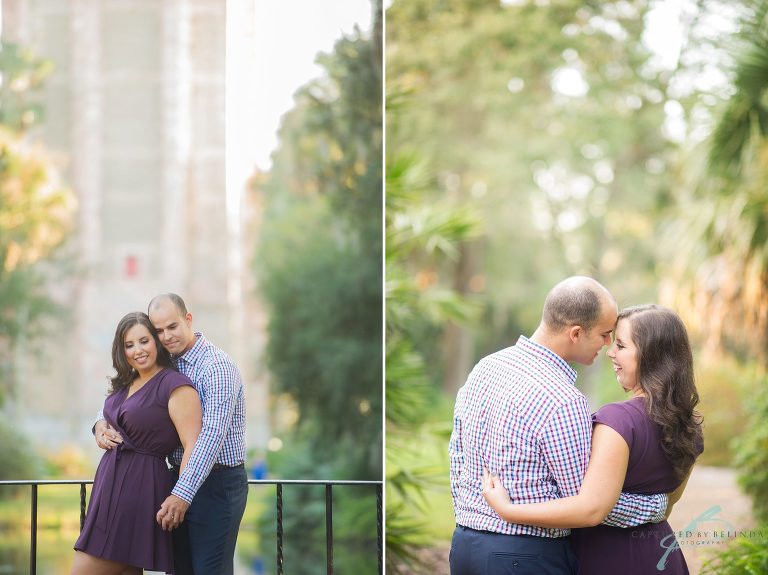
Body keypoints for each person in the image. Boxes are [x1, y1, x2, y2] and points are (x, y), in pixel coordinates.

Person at [449, 277, 669, 575]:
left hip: (464, 547)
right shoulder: (563, 400)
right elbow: (588, 505)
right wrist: (654, 506)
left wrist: (471, 517)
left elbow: (456, 457)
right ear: (576, 333)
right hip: (524, 556)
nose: (608, 346)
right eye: (605, 335)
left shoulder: (485, 368)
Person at [482, 304, 704, 574]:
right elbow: (667, 506)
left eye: (621, 345)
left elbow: (589, 508)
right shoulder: (689, 427)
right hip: (661, 555)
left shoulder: (618, 422)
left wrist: (508, 510)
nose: (610, 352)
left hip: (609, 559)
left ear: (651, 356)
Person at [94, 294, 248, 575]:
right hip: (176, 477)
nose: (166, 336)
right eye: (159, 330)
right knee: (178, 571)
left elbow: (209, 439)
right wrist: (99, 425)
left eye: (172, 327)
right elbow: (130, 402)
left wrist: (182, 494)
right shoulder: (166, 362)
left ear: (188, 320)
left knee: (209, 571)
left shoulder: (217, 368)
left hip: (217, 484)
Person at [72, 312, 202, 574]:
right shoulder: (126, 383)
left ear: (156, 341)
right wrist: (99, 427)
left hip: (139, 491)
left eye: (144, 341)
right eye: (129, 345)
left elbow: (193, 444)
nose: (137, 350)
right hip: (108, 491)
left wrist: (181, 495)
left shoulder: (175, 386)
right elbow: (110, 416)